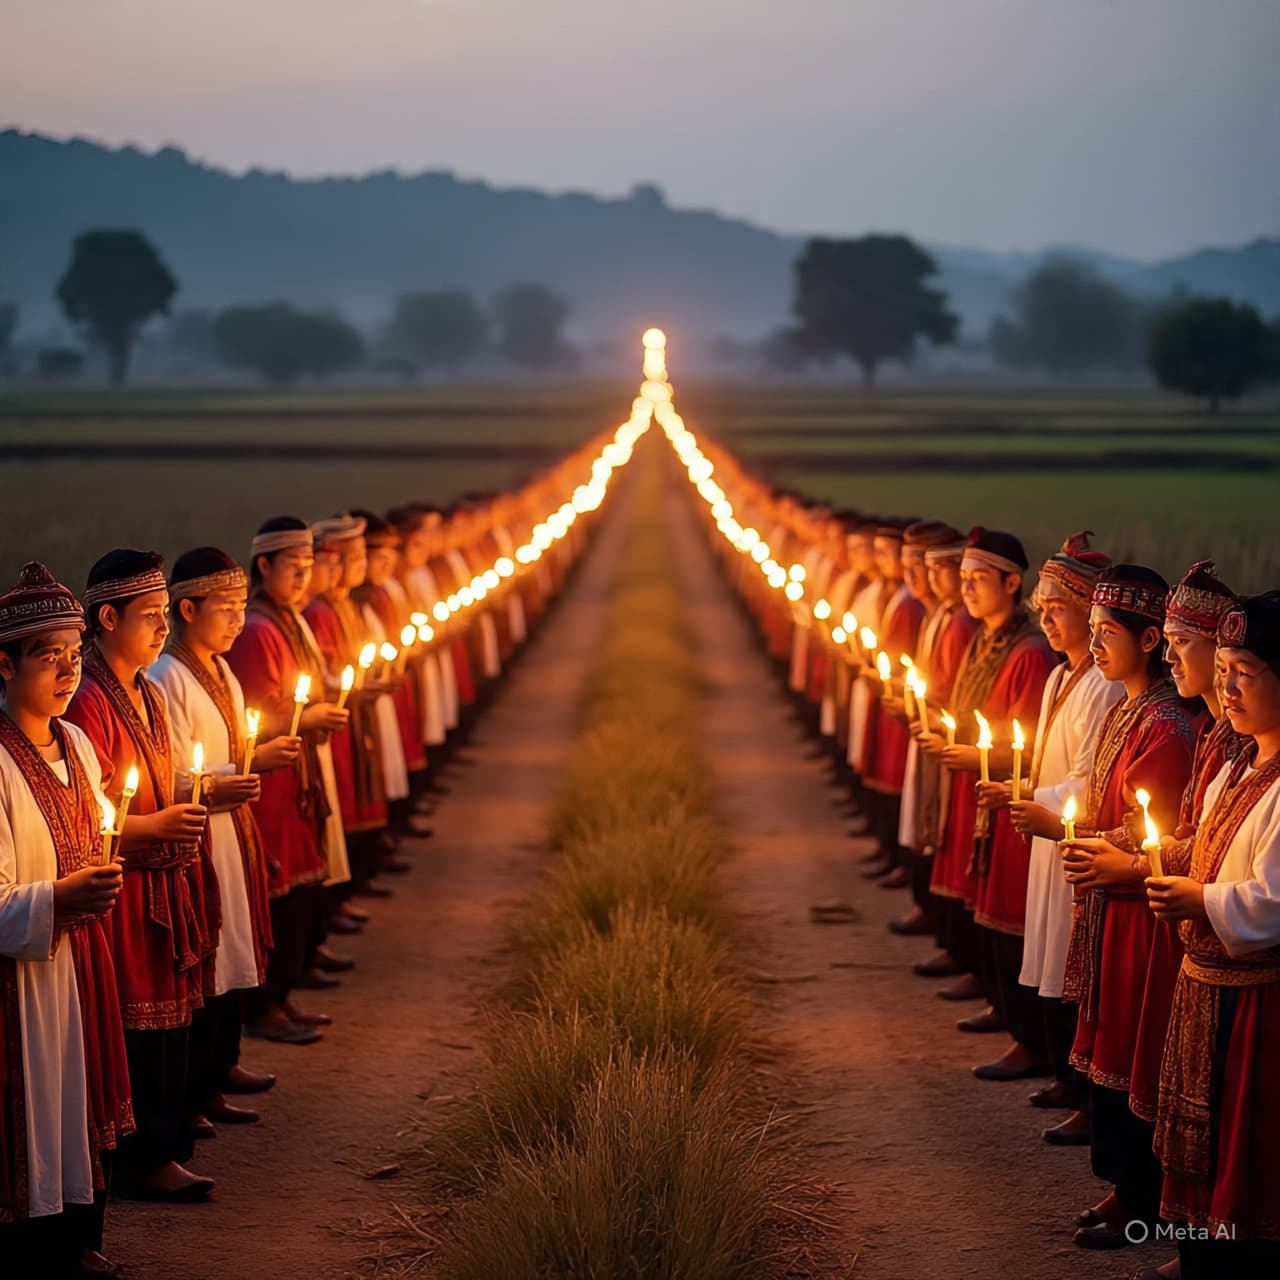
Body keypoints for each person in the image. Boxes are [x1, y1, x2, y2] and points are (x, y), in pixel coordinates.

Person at [64, 549, 216, 1204]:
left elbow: (159, 780)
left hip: (164, 878)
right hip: (124, 890)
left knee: (169, 1020)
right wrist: (155, 830)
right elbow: (86, 819)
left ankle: (166, 1139)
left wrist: (194, 798)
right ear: (106, 618)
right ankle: (140, 1157)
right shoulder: (91, 701)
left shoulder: (148, 690)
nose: (161, 629)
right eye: (149, 616)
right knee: (134, 1025)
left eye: (163, 614)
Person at [1059, 565, 1199, 1249]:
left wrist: (1098, 841)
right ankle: (1123, 1188)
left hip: (1142, 916)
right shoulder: (1125, 708)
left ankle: (1141, 1199)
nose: (1094, 647)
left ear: (1149, 640)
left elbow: (1159, 829)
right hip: (1110, 904)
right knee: (1108, 1037)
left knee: (1132, 1047)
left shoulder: (1168, 726)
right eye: (1092, 632)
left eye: (1106, 633)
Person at [0, 563, 133, 1278]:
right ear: (4, 662)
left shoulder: (78, 747)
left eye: (74, 655)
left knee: (76, 1101)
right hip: (20, 982)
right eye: (47, 654)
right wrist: (56, 900)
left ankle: (77, 1238)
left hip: (81, 965)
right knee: (31, 1111)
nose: (66, 671)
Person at [1147, 592, 1280, 1280]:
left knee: (1243, 1146)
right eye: (1222, 669)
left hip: (1255, 1001)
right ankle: (1200, 1250)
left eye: (1245, 672)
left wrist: (1199, 898)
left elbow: (1270, 904)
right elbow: (1204, 844)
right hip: (1207, 986)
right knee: (1204, 1137)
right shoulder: (1242, 762)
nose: (1226, 688)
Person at [983, 534, 1120, 1124]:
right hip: (1047, 828)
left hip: (1072, 837)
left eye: (1058, 609)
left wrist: (1034, 800)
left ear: (1092, 615)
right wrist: (1025, 794)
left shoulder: (1103, 686)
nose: (1047, 620)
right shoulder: (1059, 677)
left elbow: (1091, 779)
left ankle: (1083, 1089)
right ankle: (1063, 1075)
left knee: (1072, 962)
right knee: (1045, 948)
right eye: (1042, 609)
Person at [150, 548, 283, 1128]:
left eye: (240, 608)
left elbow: (227, 753)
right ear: (186, 608)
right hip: (200, 835)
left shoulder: (222, 669)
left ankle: (219, 1070)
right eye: (224, 609)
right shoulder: (168, 676)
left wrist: (253, 762)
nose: (236, 621)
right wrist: (228, 779)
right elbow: (172, 773)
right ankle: (196, 1087)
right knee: (211, 954)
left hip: (232, 827)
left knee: (234, 947)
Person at [926, 528, 1055, 1024]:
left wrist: (975, 756)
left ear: (1011, 582)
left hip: (1007, 794)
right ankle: (989, 991)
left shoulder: (1030, 652)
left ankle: (1016, 1018)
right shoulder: (985, 637)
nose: (967, 589)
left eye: (979, 578)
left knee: (1008, 906)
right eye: (964, 578)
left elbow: (1025, 743)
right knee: (977, 891)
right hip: (977, 783)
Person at [226, 519, 348, 1045]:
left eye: (307, 568)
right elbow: (256, 715)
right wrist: (307, 718)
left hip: (295, 770)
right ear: (264, 567)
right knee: (277, 888)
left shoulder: (287, 621)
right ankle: (265, 1006)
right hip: (273, 778)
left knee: (297, 885)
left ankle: (282, 995)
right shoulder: (258, 630)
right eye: (293, 568)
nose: (303, 578)